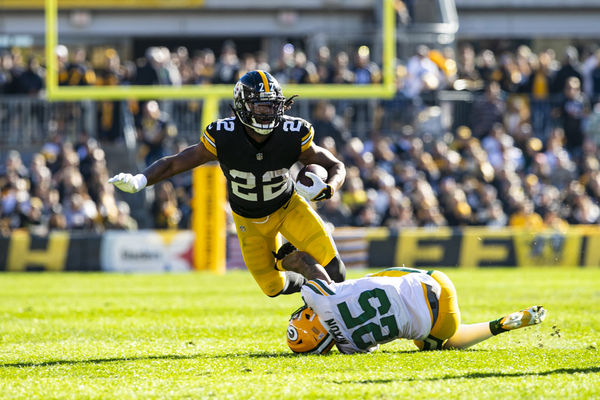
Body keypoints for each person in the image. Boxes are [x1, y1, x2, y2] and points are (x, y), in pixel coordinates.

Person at [108, 70, 347, 297]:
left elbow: (337, 166)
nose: (268, 112)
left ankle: (326, 309)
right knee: (273, 287)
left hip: (288, 207)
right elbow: (176, 162)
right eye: (260, 105)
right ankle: (292, 263)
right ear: (243, 106)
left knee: (336, 271)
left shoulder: (292, 132)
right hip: (248, 221)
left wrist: (329, 188)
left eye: (272, 105)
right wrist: (141, 179)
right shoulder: (224, 135)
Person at [283, 247, 546, 354]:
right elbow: (309, 264)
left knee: (430, 342)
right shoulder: (319, 299)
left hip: (442, 325)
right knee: (377, 278)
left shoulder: (350, 349)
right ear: (309, 319)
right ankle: (496, 325)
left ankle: (496, 326)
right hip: (436, 282)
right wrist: (285, 258)